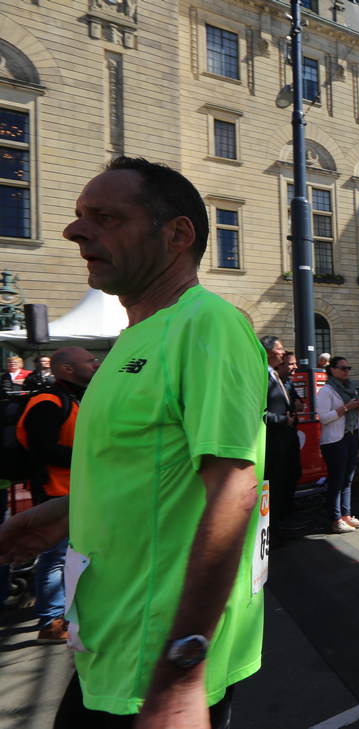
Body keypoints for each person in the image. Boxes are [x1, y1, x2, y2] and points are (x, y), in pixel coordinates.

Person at [0, 157, 266, 726]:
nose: (74, 231)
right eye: (79, 215)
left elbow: (234, 491)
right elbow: (150, 475)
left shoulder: (208, 323)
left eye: (106, 217)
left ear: (177, 235)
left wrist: (183, 668)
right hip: (111, 646)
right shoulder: (130, 341)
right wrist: (62, 517)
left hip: (160, 665)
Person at [15, 347, 99, 644]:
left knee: (70, 555)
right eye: (90, 361)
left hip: (76, 489)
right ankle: (50, 622)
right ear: (67, 369)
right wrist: (91, 458)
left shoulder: (72, 397)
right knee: (56, 558)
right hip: (56, 492)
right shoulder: (48, 400)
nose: (96, 364)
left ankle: (63, 615)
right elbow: (42, 448)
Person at [260, 335, 308, 537]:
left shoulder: (275, 375)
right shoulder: (261, 375)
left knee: (285, 481)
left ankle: (281, 521)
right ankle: (272, 529)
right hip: (273, 443)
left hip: (285, 440)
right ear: (268, 352)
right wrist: (282, 420)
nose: (283, 352)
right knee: (273, 485)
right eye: (279, 349)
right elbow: (258, 412)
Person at [317, 356, 359, 533]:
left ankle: (346, 516)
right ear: (332, 370)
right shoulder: (326, 390)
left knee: (347, 480)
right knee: (336, 480)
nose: (347, 371)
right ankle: (336, 519)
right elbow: (324, 418)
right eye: (343, 368)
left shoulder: (350, 388)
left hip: (350, 435)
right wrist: (346, 407)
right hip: (334, 440)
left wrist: (358, 407)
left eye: (348, 368)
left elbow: (355, 412)